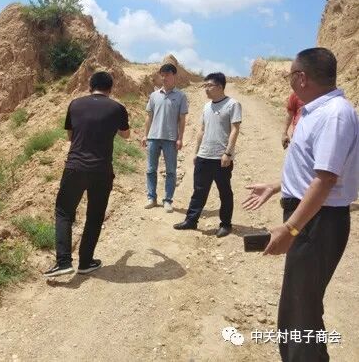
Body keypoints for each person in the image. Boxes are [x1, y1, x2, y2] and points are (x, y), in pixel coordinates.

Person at [243, 47, 359, 362]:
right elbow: (315, 169)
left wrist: (291, 228)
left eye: (290, 74)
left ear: (302, 77)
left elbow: (325, 180)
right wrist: (276, 185)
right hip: (313, 219)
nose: (289, 80)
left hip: (318, 222)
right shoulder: (315, 111)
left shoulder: (334, 114)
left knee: (301, 313)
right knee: (298, 308)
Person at [44, 71, 130, 277]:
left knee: (64, 212)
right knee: (95, 215)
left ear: (90, 86)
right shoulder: (117, 108)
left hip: (75, 167)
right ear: (110, 88)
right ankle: (85, 262)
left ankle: (63, 262)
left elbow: (70, 136)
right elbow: (125, 135)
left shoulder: (75, 104)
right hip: (102, 170)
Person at [174, 72, 241, 238]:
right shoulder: (206, 106)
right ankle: (191, 220)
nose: (206, 89)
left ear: (220, 86)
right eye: (205, 85)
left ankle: (226, 224)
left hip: (221, 158)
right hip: (204, 156)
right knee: (199, 191)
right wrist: (196, 152)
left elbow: (235, 130)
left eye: (209, 85)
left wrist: (228, 153)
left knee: (224, 192)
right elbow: (202, 130)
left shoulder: (233, 104)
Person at [141, 63, 188, 213]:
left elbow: (182, 119)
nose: (164, 77)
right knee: (150, 169)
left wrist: (180, 138)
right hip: (153, 138)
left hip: (171, 139)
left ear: (174, 76)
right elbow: (149, 117)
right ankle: (151, 198)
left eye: (167, 74)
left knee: (171, 171)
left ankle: (168, 200)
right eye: (162, 75)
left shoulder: (181, 96)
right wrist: (145, 135)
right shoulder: (154, 95)